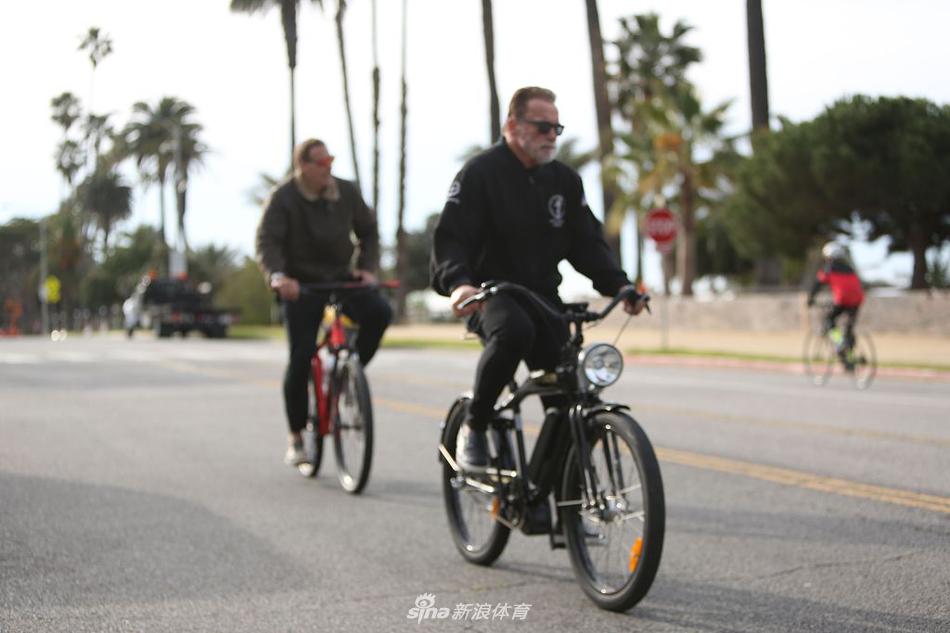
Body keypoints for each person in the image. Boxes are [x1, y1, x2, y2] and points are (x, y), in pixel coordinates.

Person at [430, 86, 648, 471]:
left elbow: (587, 244)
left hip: (545, 297)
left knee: (567, 397)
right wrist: (460, 283)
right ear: (513, 125)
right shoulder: (481, 173)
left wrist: (620, 285)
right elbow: (452, 238)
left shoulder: (564, 180)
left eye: (556, 128)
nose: (551, 136)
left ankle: (564, 511)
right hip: (492, 294)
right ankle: (476, 425)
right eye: (543, 126)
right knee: (514, 333)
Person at [256, 138, 393, 466]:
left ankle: (347, 373)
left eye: (331, 161)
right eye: (322, 163)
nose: (329, 169)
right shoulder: (284, 197)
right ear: (303, 165)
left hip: (341, 277)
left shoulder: (346, 192)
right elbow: (267, 241)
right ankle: (297, 436)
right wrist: (278, 276)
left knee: (379, 312)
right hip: (300, 285)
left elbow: (369, 231)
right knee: (301, 355)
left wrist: (366, 269)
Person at [807, 241, 865, 368]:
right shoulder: (850, 269)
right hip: (858, 300)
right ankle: (848, 360)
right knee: (849, 327)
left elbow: (817, 285)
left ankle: (840, 344)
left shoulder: (828, 269)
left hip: (843, 300)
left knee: (829, 321)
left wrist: (810, 299)